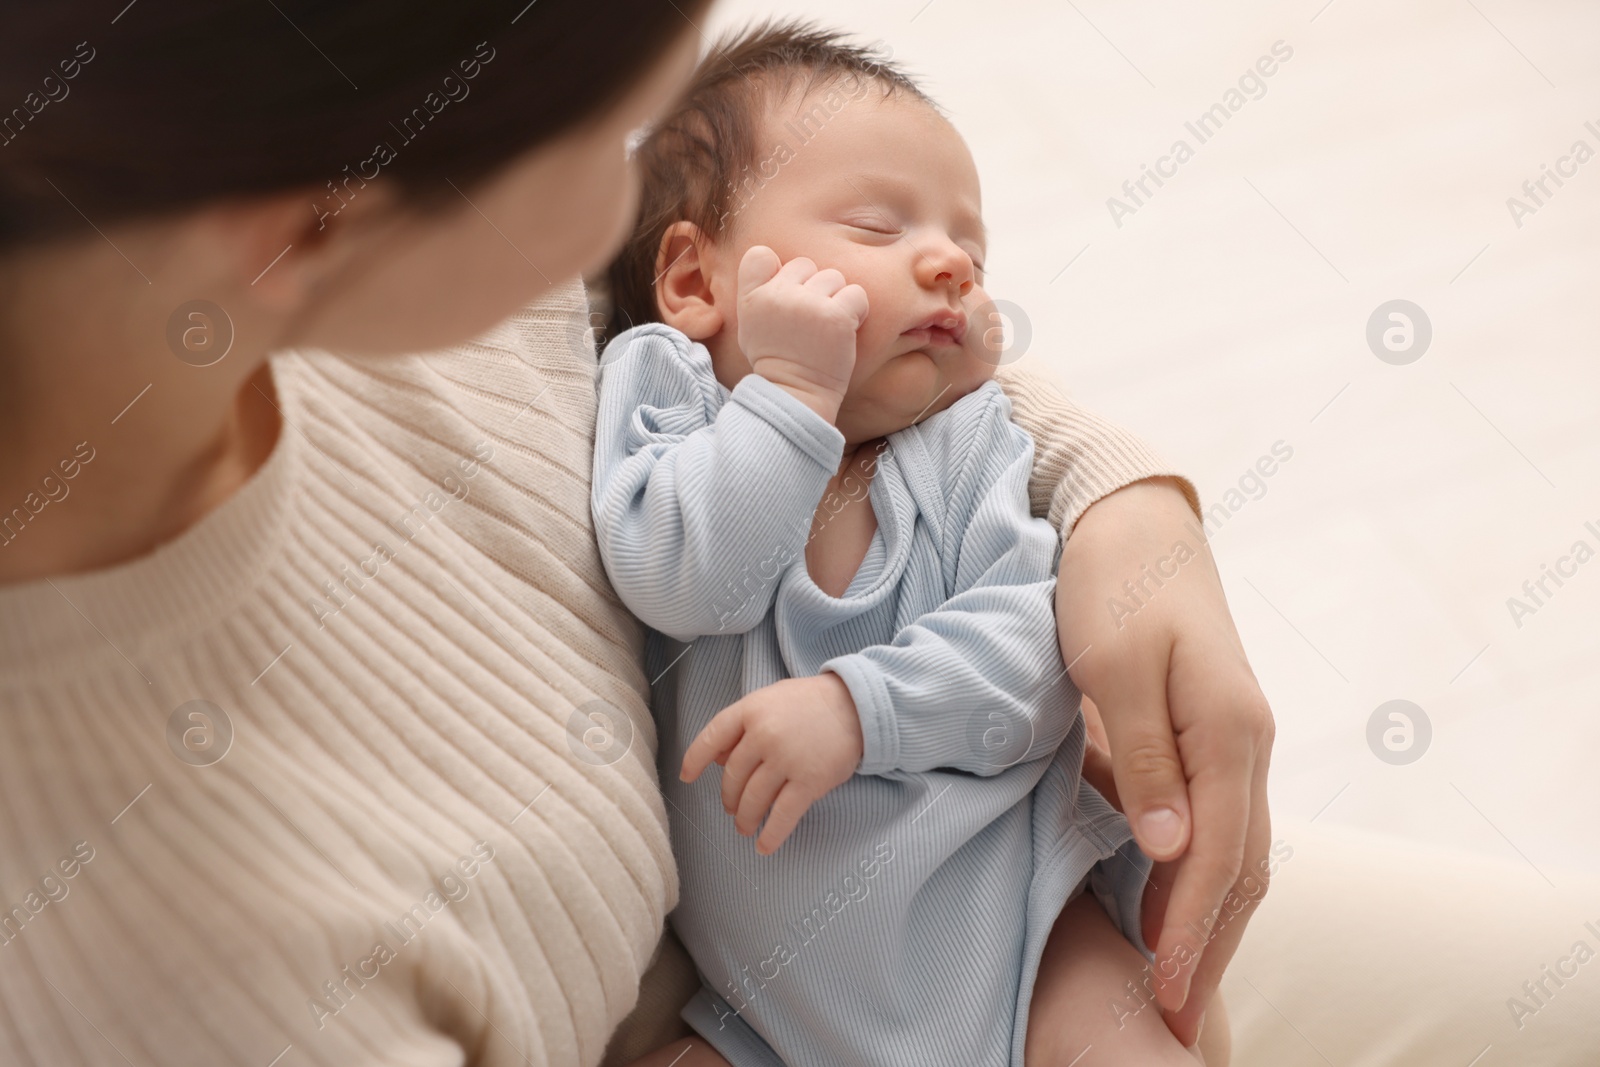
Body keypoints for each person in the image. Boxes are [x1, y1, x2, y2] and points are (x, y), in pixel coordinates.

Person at [0, 4, 1271, 1064]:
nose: (635, 186)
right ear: (319, 222)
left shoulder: (392, 270)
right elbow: (701, 517)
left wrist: (1121, 505)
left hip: (1014, 896)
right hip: (744, 1012)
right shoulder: (204, 993)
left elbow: (929, 414)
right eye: (607, 147)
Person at [592, 22, 1214, 1065]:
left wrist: (859, 709)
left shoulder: (965, 443)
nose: (948, 263)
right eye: (879, 228)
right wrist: (790, 395)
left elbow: (1036, 654)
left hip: (1019, 932)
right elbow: (685, 579)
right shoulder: (669, 400)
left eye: (969, 253)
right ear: (696, 284)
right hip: (767, 1017)